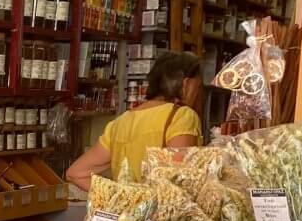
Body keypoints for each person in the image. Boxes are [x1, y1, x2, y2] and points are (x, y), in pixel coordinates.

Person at [65, 52, 203, 191]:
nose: (198, 95)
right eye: (198, 88)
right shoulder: (182, 116)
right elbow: (180, 180)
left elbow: (76, 174)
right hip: (160, 212)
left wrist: (119, 196)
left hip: (125, 212)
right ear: (186, 84)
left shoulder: (121, 121)